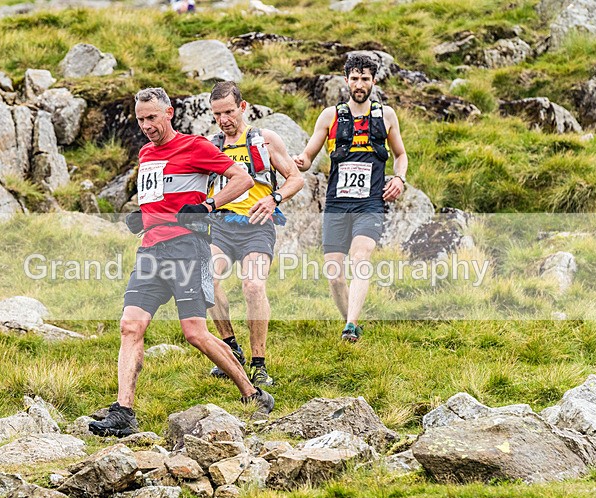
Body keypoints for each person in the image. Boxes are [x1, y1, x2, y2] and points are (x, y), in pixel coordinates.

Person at [89, 87, 274, 437]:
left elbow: (243, 179)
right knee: (130, 326)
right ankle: (124, 412)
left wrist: (208, 206)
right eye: (140, 119)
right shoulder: (145, 154)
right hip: (150, 251)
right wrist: (140, 218)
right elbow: (158, 200)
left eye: (152, 118)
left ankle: (252, 392)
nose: (146, 126)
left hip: (188, 249)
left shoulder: (196, 146)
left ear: (169, 113)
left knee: (194, 333)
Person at [294, 54, 408, 342]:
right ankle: (351, 321)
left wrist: (399, 178)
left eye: (365, 79)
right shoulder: (330, 116)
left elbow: (400, 155)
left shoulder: (386, 115)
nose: (359, 84)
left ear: (374, 81)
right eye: (354, 78)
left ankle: (350, 327)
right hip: (336, 203)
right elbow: (309, 156)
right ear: (346, 80)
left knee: (360, 257)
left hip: (370, 202)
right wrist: (298, 162)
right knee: (334, 276)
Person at [205, 81, 305, 387]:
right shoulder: (212, 145)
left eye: (229, 112)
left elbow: (295, 178)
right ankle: (230, 348)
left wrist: (274, 198)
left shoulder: (264, 140)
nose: (224, 120)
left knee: (252, 286)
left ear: (243, 107)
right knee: (205, 279)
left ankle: (259, 364)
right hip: (221, 227)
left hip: (257, 227)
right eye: (218, 114)